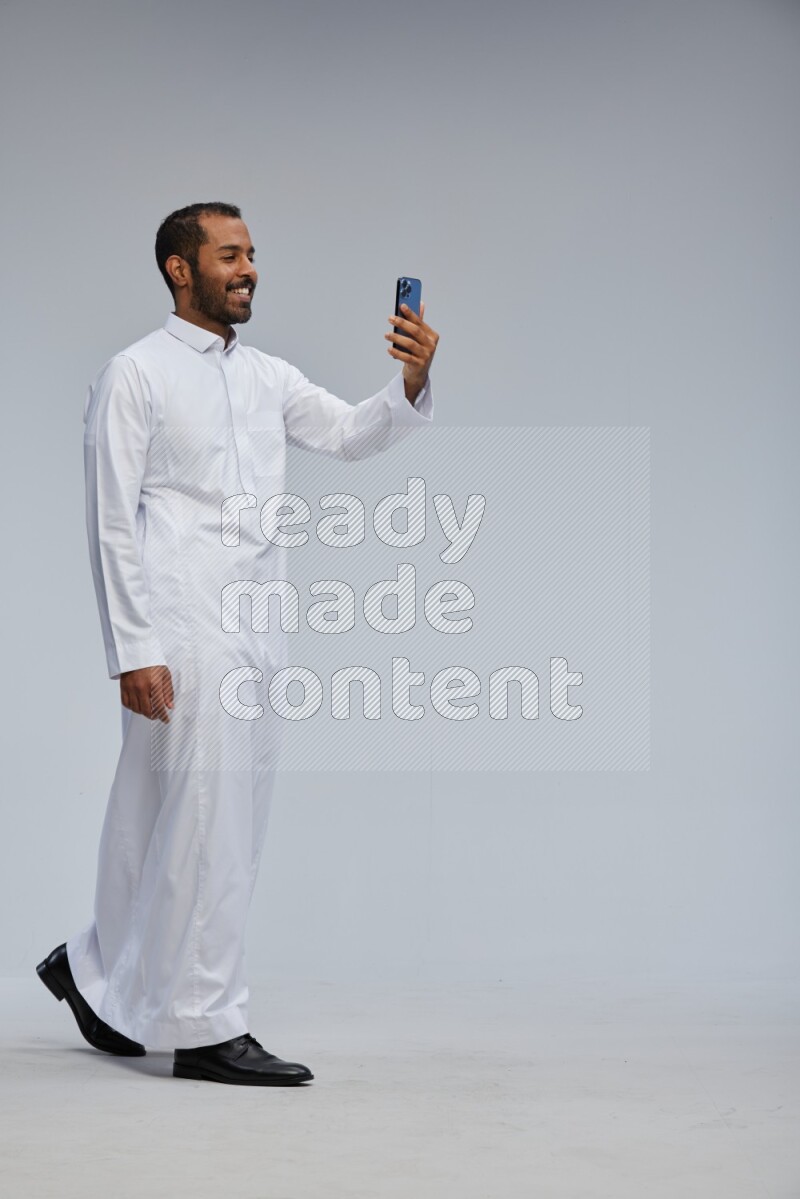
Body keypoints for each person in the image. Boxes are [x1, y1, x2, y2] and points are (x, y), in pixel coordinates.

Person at [36, 202, 438, 1086]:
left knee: (170, 818)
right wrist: (131, 647)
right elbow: (110, 520)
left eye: (252, 253)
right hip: (178, 628)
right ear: (181, 270)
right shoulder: (134, 374)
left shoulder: (265, 376)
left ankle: (94, 972)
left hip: (257, 627)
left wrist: (407, 383)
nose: (249, 267)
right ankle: (210, 1023)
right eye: (229, 255)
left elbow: (346, 433)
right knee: (206, 829)